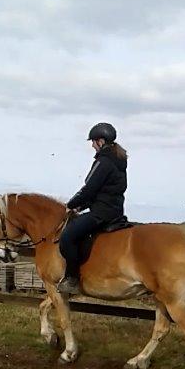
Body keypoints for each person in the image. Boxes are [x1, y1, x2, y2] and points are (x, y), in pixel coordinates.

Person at [57, 122, 128, 294]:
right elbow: (103, 191)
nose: (92, 145)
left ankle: (72, 279)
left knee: (67, 237)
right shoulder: (118, 161)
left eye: (94, 142)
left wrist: (70, 205)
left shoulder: (104, 161)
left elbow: (89, 189)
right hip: (114, 210)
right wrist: (81, 207)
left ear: (101, 141)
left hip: (101, 213)